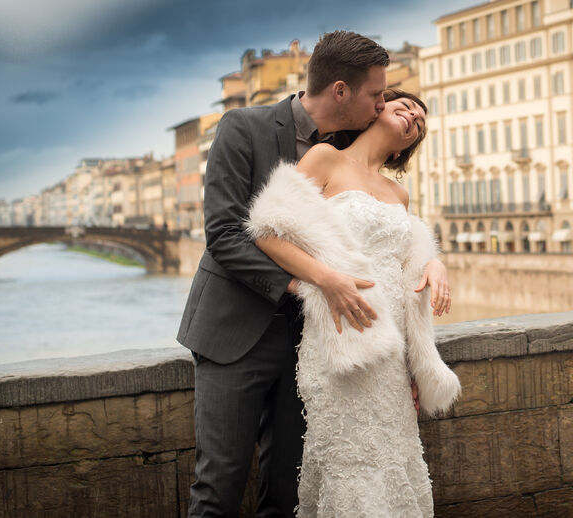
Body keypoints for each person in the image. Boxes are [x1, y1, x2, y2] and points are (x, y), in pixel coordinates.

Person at [176, 31, 451, 517]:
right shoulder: (244, 126)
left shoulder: (353, 148)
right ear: (341, 91)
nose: (386, 104)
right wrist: (313, 284)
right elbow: (225, 234)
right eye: (379, 95)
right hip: (235, 331)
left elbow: (389, 239)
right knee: (219, 484)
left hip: (318, 342)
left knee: (284, 490)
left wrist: (430, 259)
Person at [245, 88, 459, 517]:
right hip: (340, 337)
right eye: (407, 104)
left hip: (392, 353)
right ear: (378, 108)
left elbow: (405, 260)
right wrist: (324, 281)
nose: (415, 114)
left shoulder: (400, 196)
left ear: (408, 147)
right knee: (351, 464)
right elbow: (268, 230)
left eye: (420, 121)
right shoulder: (324, 158)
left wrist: (432, 263)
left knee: (394, 462)